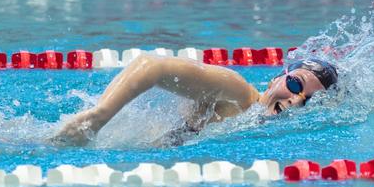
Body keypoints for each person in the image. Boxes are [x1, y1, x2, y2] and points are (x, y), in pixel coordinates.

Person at [52, 54, 339, 146]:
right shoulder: (236, 93)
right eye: (294, 84)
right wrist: (99, 116)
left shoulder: (265, 131)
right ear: (276, 79)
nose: (295, 100)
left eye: (307, 101)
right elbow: (152, 64)